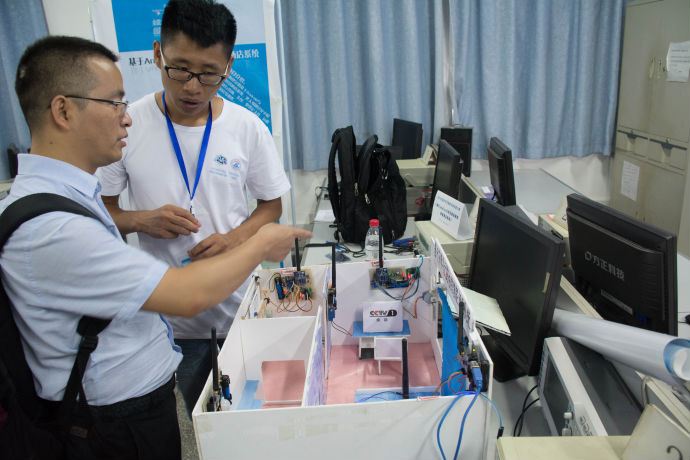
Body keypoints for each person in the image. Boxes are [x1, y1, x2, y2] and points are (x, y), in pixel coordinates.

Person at [1, 35, 311, 459]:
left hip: (133, 401)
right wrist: (260, 244)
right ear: (64, 110)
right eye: (114, 103)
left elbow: (268, 203)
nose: (126, 118)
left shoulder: (68, 197)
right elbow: (187, 296)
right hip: (110, 423)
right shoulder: (53, 227)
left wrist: (241, 238)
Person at [96, 0, 290, 416]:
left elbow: (271, 206)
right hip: (171, 322)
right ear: (157, 54)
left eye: (208, 74)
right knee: (198, 423)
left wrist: (234, 240)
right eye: (180, 69)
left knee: (256, 418)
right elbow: (102, 212)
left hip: (243, 309)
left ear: (229, 66)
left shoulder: (246, 127)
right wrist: (142, 220)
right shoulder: (127, 126)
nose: (192, 87)